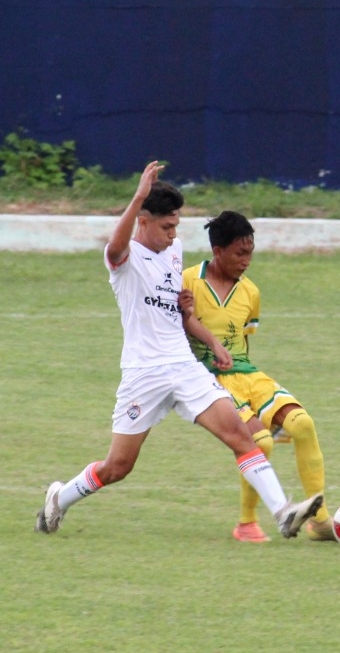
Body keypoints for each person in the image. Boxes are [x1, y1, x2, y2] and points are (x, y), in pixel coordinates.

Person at [34, 162, 322, 539]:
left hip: (185, 367)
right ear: (143, 220)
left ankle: (283, 512)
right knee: (118, 466)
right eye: (166, 227)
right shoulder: (124, 259)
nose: (173, 236)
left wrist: (211, 339)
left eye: (176, 227)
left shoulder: (173, 254)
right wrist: (138, 195)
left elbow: (180, 314)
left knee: (241, 436)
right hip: (144, 374)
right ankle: (60, 498)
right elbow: (116, 245)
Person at [180, 211, 335, 543]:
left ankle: (320, 522)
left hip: (246, 373)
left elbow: (245, 344)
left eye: (250, 252)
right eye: (240, 253)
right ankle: (247, 524)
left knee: (303, 425)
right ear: (217, 251)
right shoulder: (187, 281)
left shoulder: (251, 292)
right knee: (261, 442)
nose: (247, 261)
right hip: (207, 378)